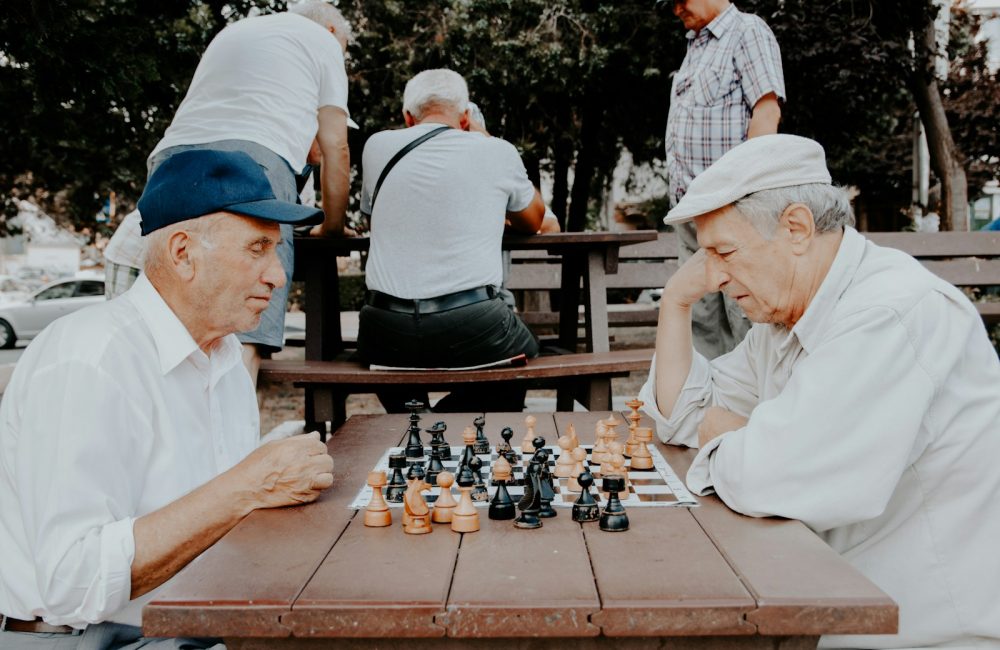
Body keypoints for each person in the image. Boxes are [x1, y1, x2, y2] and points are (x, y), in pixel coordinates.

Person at [639, 134, 1000, 648]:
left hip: (923, 630)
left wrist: (734, 435)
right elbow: (683, 418)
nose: (713, 277)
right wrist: (674, 303)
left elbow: (772, 477)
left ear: (796, 228)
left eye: (724, 251)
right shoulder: (785, 319)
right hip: (833, 605)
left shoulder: (888, 313)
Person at [0, 150, 335, 647]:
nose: (277, 276)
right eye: (257, 248)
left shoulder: (223, 360)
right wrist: (247, 486)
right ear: (183, 254)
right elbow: (72, 581)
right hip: (82, 639)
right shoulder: (90, 359)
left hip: (190, 628)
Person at [103, 1, 355, 385]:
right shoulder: (323, 41)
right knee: (247, 318)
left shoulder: (237, 31)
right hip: (255, 159)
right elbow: (336, 145)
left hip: (172, 157)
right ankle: (233, 440)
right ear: (334, 34)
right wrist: (333, 228)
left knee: (169, 320)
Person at [356, 68, 546, 413]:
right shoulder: (495, 150)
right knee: (524, 355)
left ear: (407, 117)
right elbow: (533, 220)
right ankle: (442, 422)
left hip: (384, 328)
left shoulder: (376, 146)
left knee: (384, 352)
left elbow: (374, 214)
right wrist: (485, 136)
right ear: (465, 117)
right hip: (473, 322)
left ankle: (412, 417)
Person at [659, 0, 785, 358]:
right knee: (700, 317)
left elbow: (766, 111)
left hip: (731, 206)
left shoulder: (747, 31)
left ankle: (751, 409)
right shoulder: (696, 44)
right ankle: (707, 408)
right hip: (690, 209)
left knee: (743, 313)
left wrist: (747, 195)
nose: (676, 9)